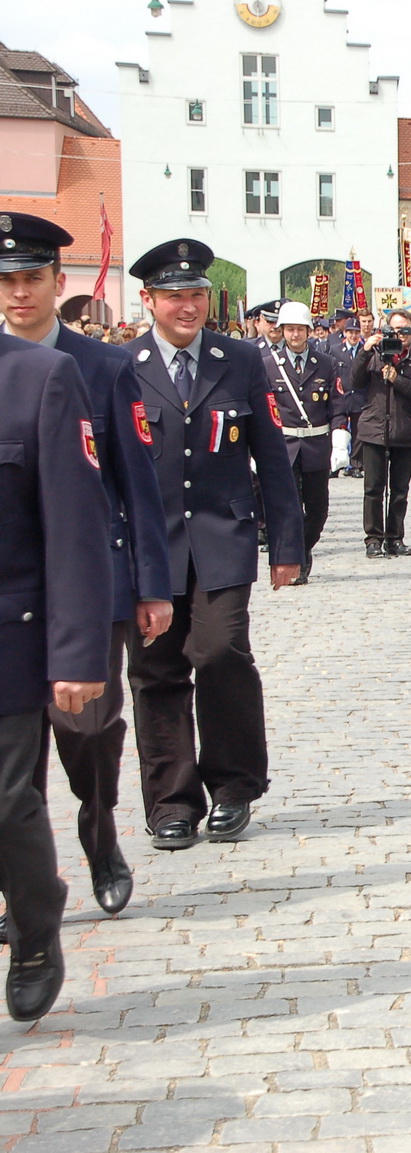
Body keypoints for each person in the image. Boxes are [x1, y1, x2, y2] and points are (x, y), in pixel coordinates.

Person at [0, 213, 173, 919]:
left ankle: (100, 834)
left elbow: (140, 482)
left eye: (31, 279)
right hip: (12, 591)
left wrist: (153, 585)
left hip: (88, 583)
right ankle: (25, 890)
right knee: (15, 763)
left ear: (55, 282)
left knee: (89, 735)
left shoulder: (101, 368)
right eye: (6, 281)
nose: (19, 294)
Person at [122, 238, 304, 851]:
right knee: (156, 670)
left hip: (223, 536)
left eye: (197, 294)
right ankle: (171, 802)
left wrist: (287, 544)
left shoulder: (241, 359)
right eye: (174, 296)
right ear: (149, 301)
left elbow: (272, 459)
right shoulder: (123, 367)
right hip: (150, 546)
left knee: (221, 652)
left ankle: (234, 787)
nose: (188, 306)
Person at [0, 333, 113, 1019]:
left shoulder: (39, 376)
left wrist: (75, 652)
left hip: (10, 635)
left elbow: (74, 523)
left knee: (7, 801)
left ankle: (36, 930)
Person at [262, 301, 344, 584]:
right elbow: (264, 409)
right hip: (284, 447)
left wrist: (340, 441)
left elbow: (337, 406)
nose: (295, 335)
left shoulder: (326, 364)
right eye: (290, 330)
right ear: (282, 331)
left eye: (299, 329)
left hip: (316, 447)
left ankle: (303, 548)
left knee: (318, 511)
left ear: (309, 331)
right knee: (291, 509)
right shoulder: (269, 367)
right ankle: (297, 559)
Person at [351, 310, 411, 559]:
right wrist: (366, 350)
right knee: (374, 489)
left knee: (400, 490)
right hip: (375, 428)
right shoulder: (375, 354)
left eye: (406, 331)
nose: (400, 336)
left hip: (405, 429)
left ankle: (395, 537)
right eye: (395, 331)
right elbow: (354, 381)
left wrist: (398, 380)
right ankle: (373, 538)